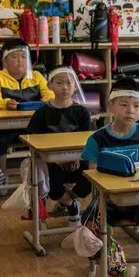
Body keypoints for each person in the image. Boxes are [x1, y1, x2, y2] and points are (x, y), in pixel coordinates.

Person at [81, 78, 139, 277]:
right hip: (108, 200)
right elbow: (93, 177)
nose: (131, 110)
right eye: (124, 104)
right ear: (111, 106)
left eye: (136, 106)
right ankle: (112, 266)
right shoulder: (97, 139)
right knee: (91, 223)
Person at [26, 66, 92, 227]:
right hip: (52, 163)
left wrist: (76, 157)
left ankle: (67, 202)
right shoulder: (42, 112)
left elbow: (88, 141)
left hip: (77, 160)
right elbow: (32, 140)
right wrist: (54, 160)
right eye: (59, 83)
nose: (65, 87)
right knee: (53, 189)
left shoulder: (82, 111)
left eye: (69, 83)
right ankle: (71, 205)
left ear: (75, 86)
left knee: (88, 185)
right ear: (50, 85)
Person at [0, 39, 53, 175]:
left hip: (34, 125)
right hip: (8, 128)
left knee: (51, 133)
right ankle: (1, 178)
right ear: (4, 60)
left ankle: (43, 177)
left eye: (24, 57)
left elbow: (50, 95)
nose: (20, 61)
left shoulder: (37, 76)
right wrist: (5, 103)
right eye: (14, 57)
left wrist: (43, 103)